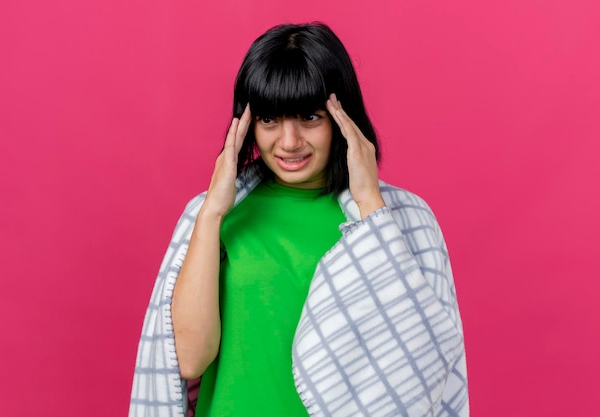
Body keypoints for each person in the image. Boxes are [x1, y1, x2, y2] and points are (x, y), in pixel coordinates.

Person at [130, 22, 469, 417]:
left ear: (343, 118)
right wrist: (212, 213)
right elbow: (188, 361)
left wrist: (370, 203)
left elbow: (419, 367)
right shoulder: (214, 217)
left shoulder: (403, 218)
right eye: (270, 120)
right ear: (246, 125)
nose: (289, 142)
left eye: (309, 117)